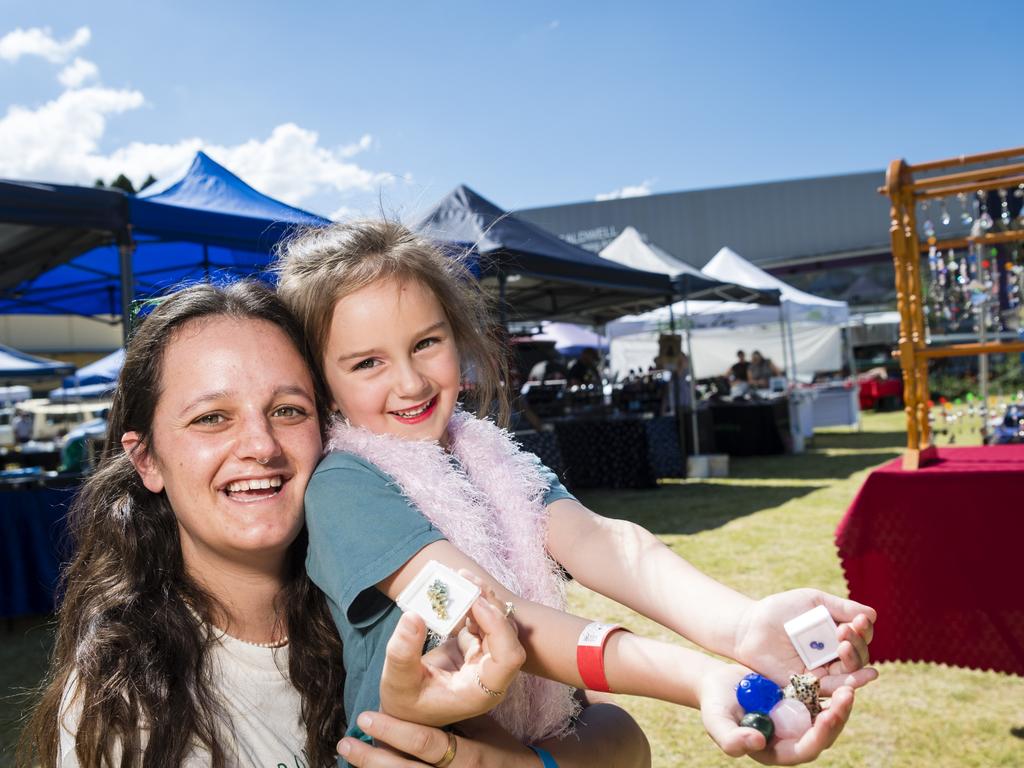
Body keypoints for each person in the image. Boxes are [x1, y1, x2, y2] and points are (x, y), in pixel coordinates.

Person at [275, 220, 876, 764]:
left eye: (426, 343)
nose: (409, 381)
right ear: (321, 386)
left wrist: (742, 624)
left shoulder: (489, 457)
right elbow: (489, 612)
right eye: (366, 364)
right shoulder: (344, 486)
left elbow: (611, 546)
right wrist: (697, 676)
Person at [19, 281, 623, 768]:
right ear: (146, 458)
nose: (259, 444)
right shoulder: (128, 705)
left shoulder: (399, 572)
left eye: (288, 410)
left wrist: (522, 764)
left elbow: (619, 737)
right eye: (211, 418)